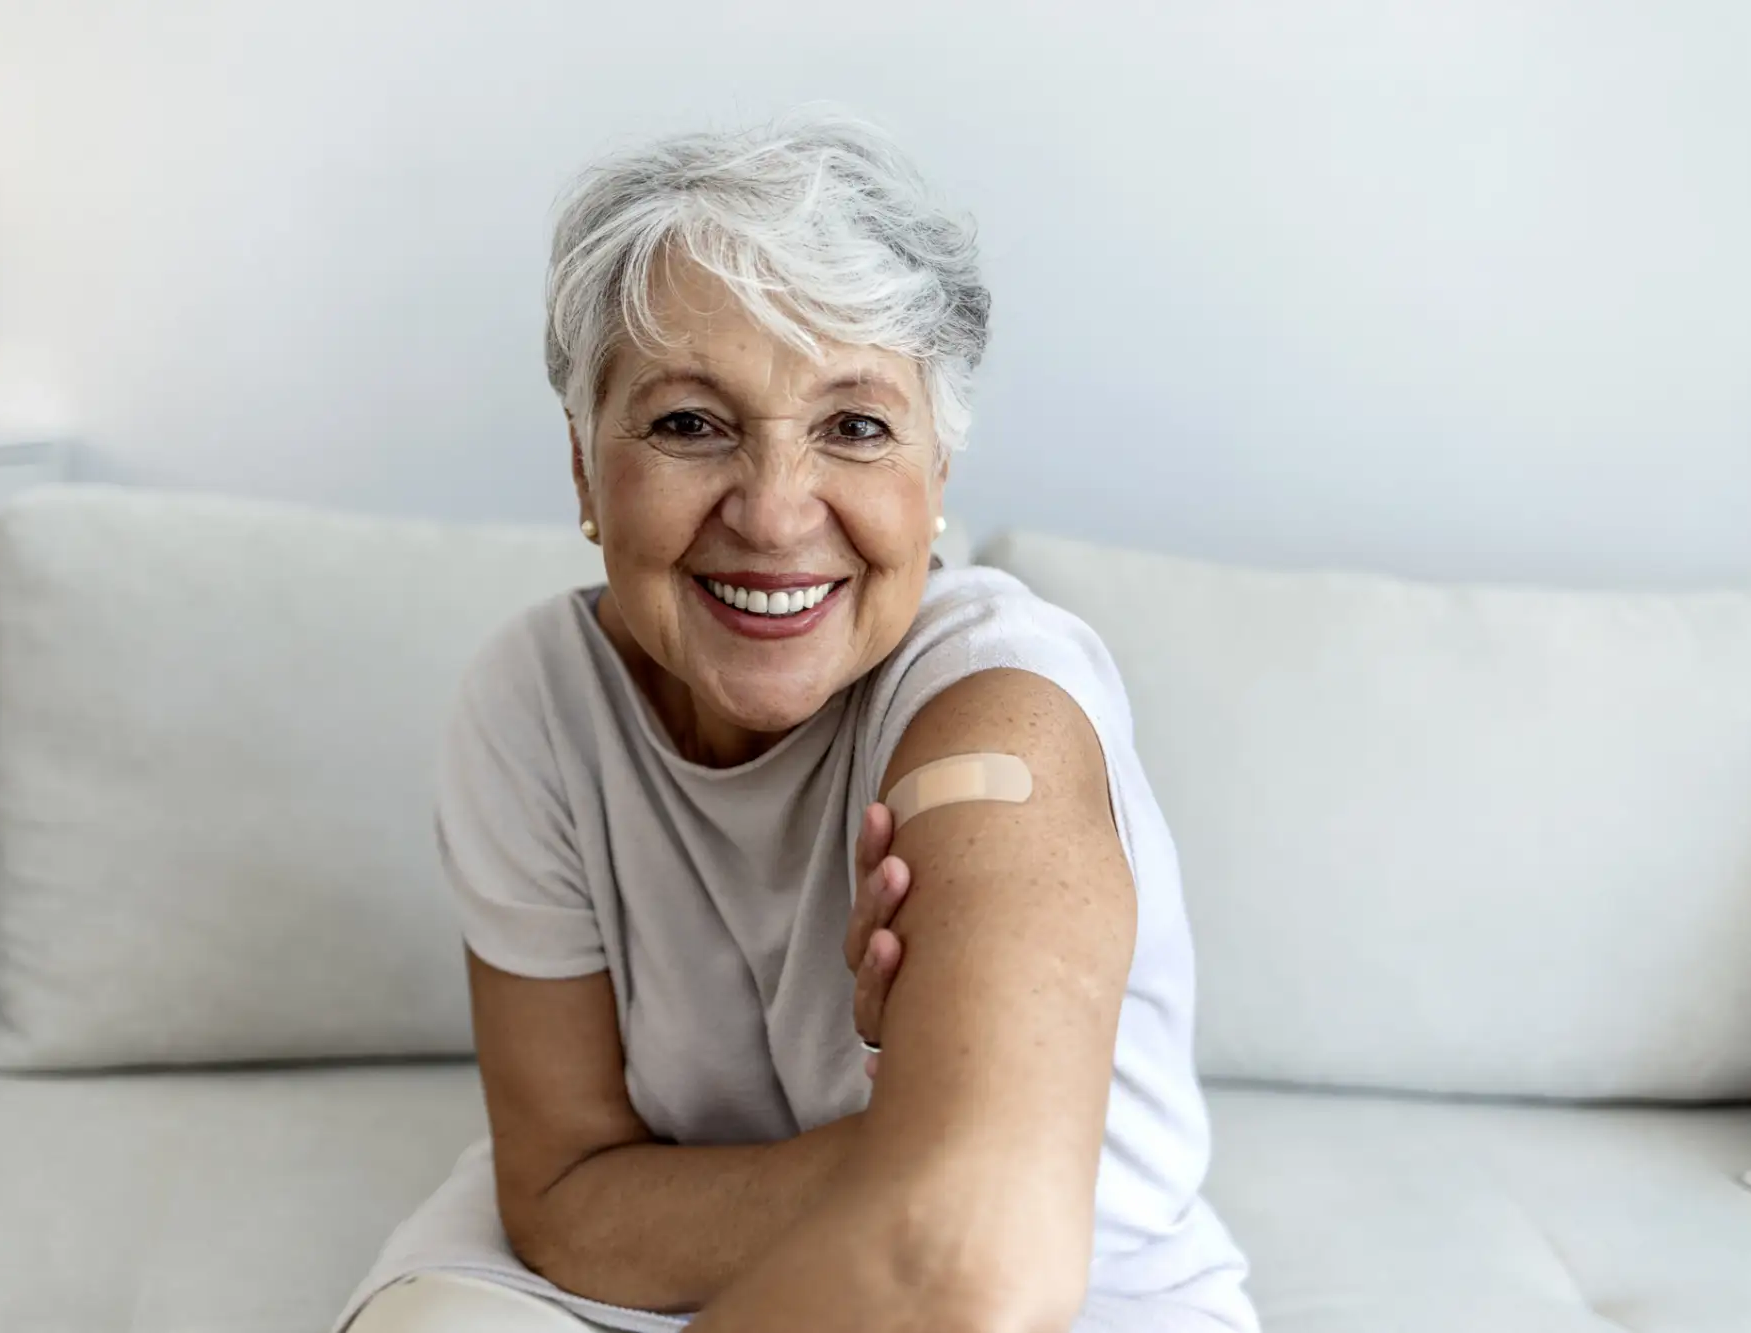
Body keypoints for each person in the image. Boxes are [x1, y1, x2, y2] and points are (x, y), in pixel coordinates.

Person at [336, 109, 1256, 1333]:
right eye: (686, 423)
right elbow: (562, 1198)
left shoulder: (996, 714)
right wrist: (907, 1143)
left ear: (936, 478)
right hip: (631, 1276)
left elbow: (967, 1261)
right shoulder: (534, 701)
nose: (772, 516)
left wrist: (934, 1167)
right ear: (581, 470)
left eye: (854, 427)